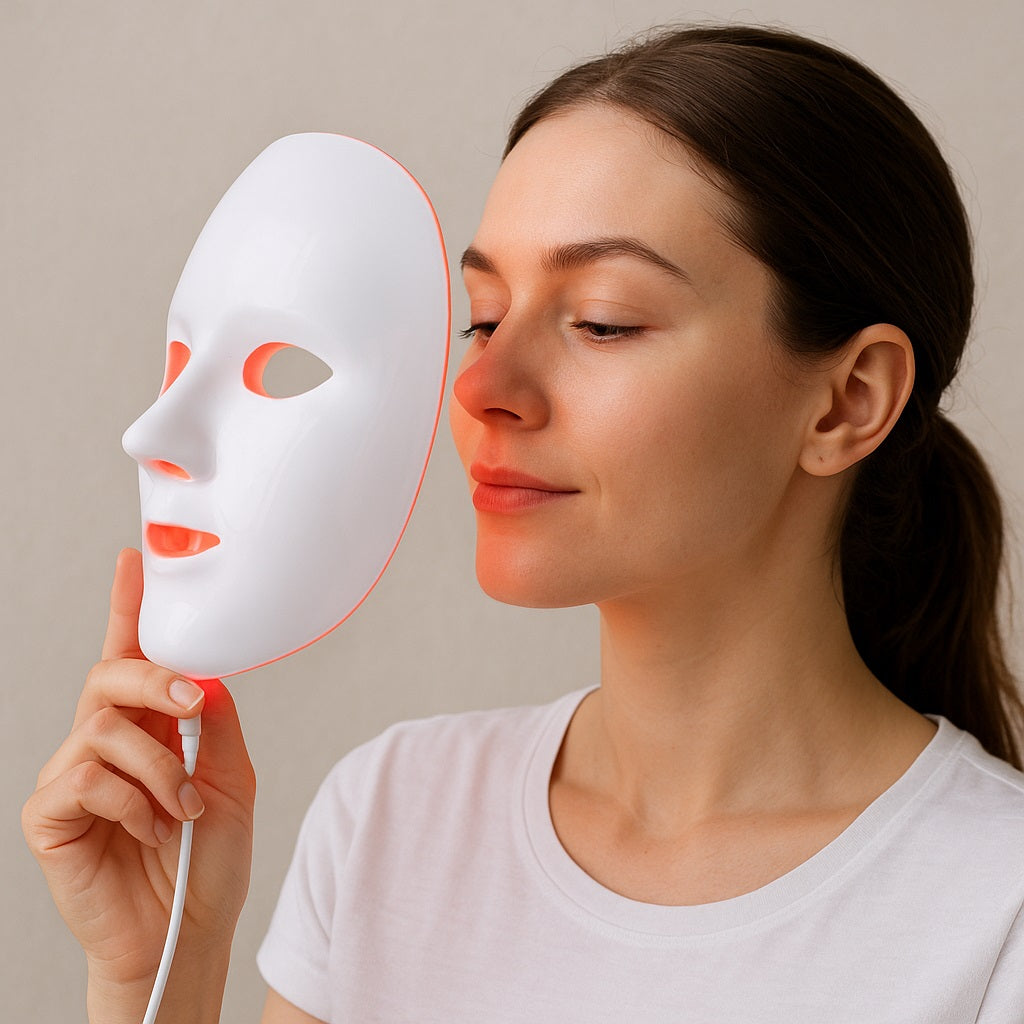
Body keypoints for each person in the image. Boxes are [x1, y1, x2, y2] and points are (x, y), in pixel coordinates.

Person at [22, 24, 1024, 1023]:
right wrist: (159, 969)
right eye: (485, 315)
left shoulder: (994, 906)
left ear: (848, 399)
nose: (483, 385)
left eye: (599, 319)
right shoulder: (393, 814)